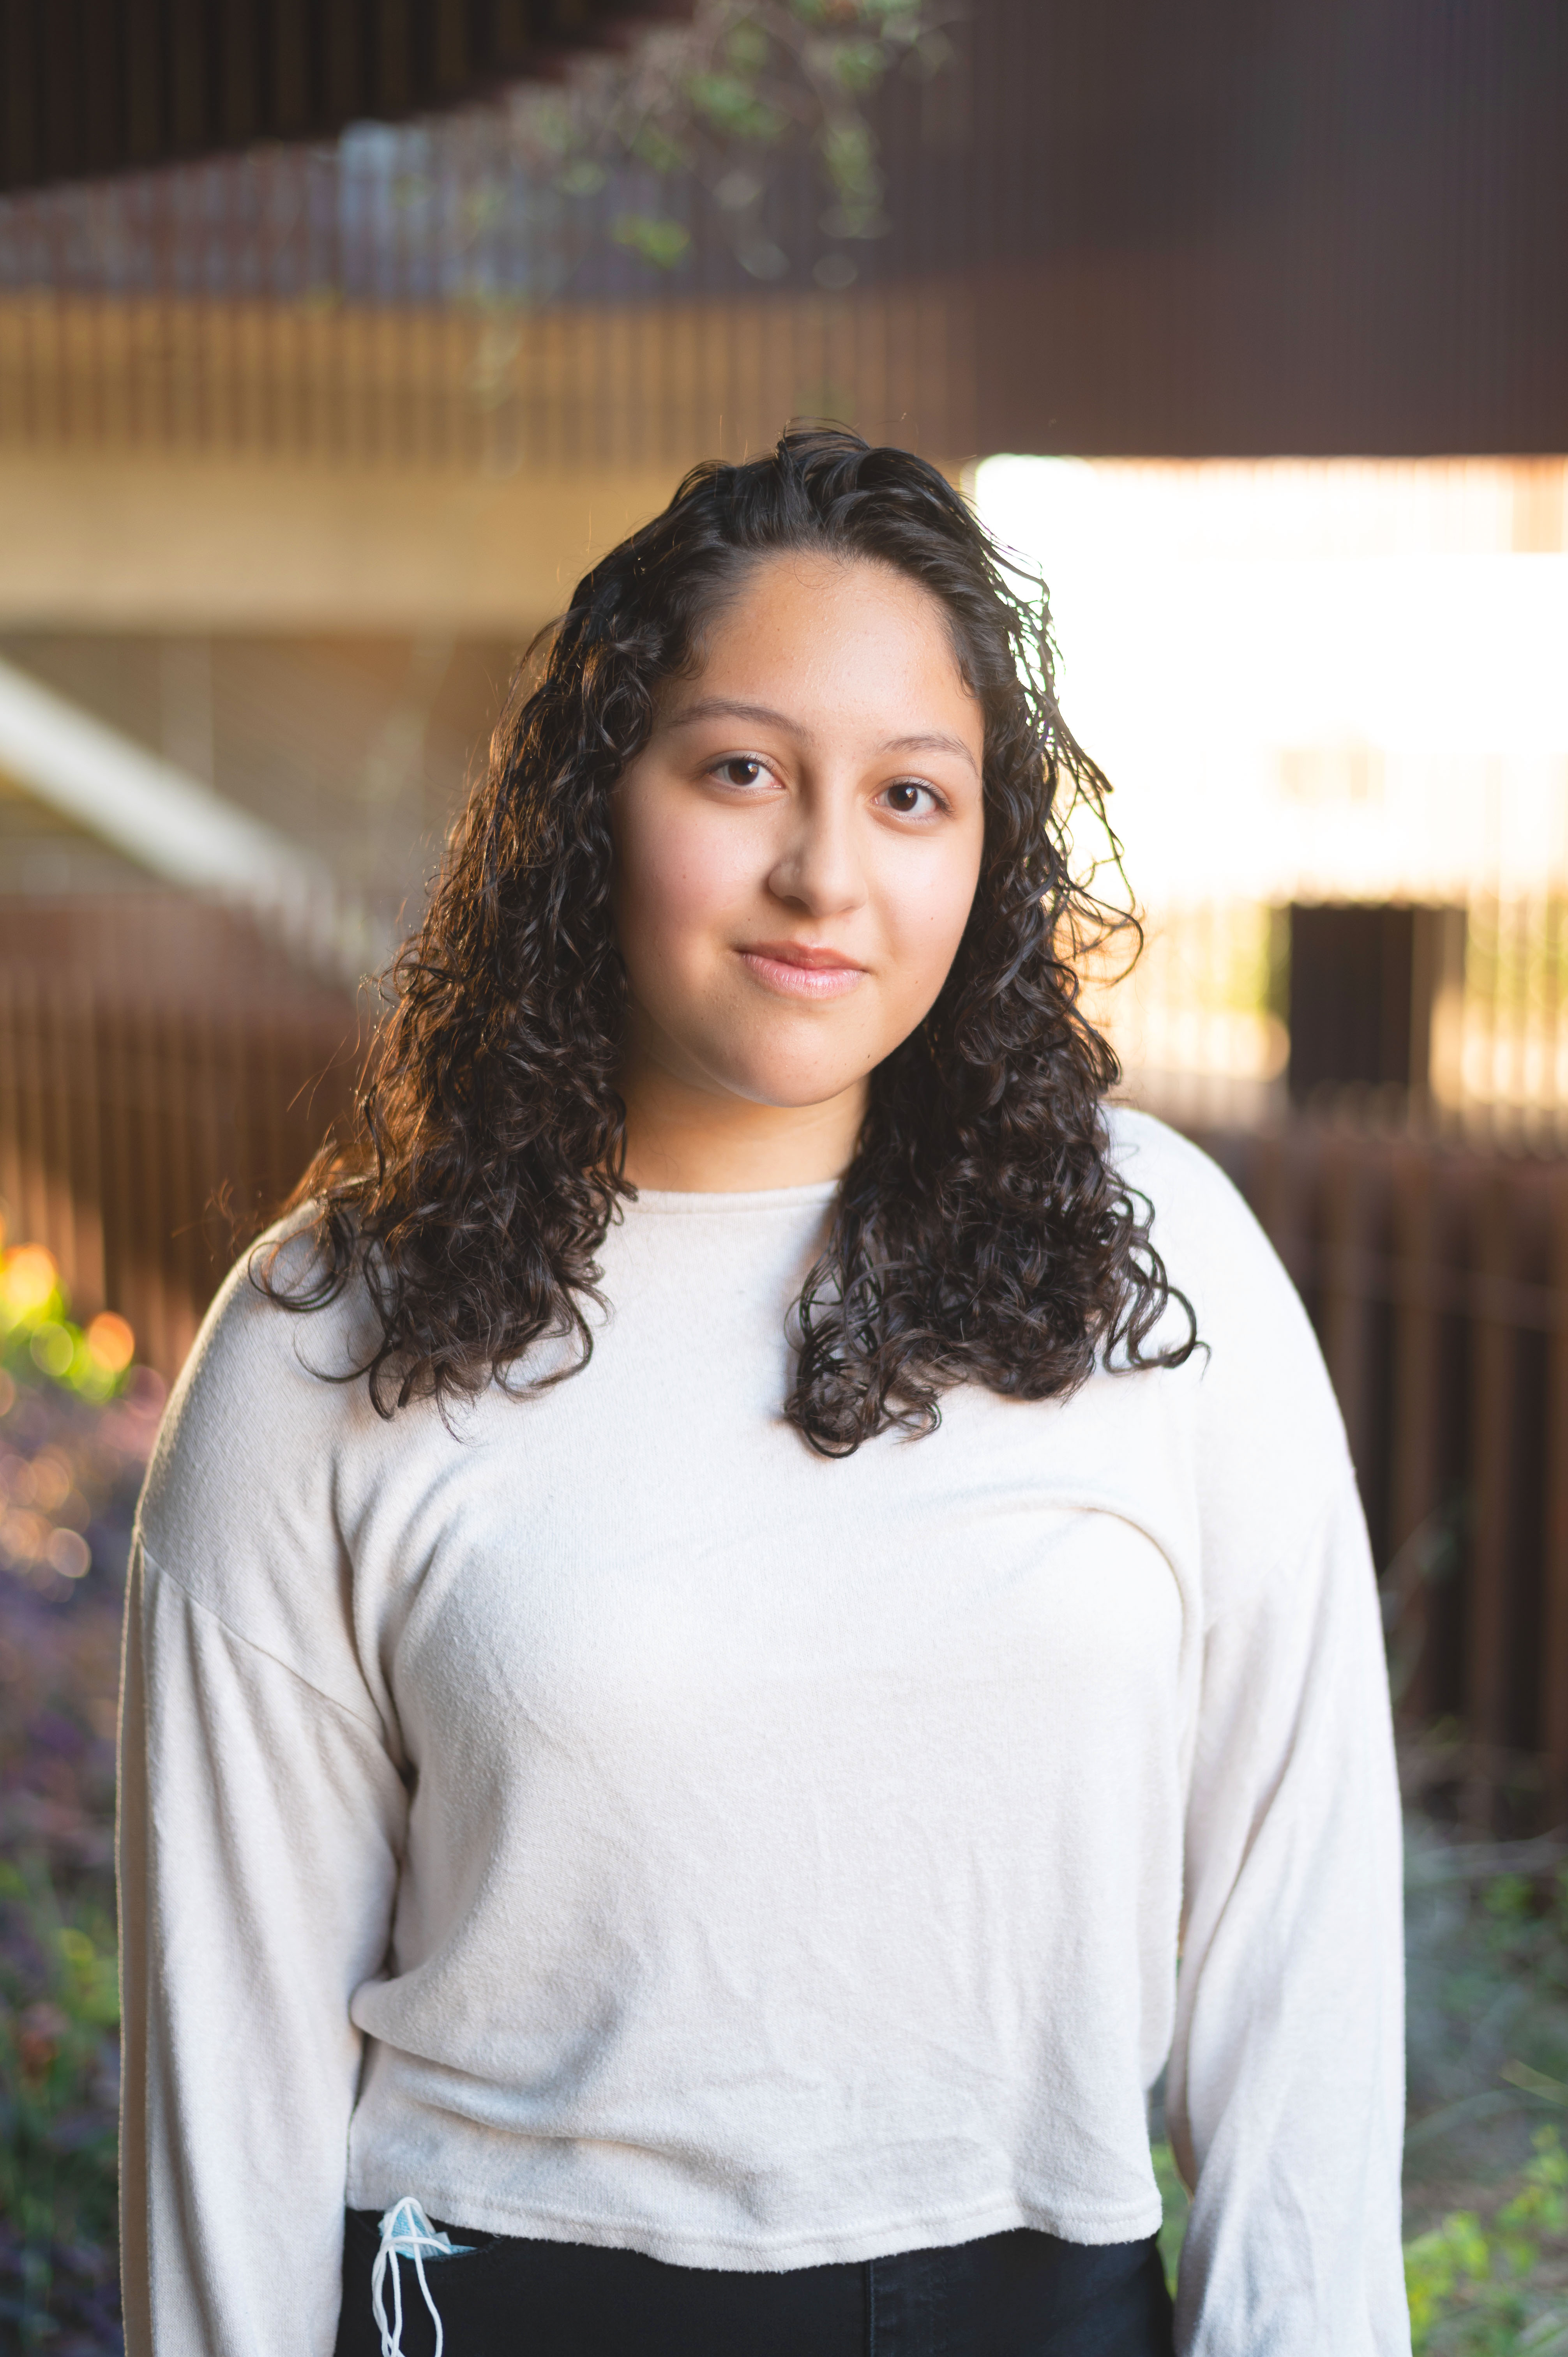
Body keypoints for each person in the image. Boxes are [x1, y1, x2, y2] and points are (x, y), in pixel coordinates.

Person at [117, 429, 1408, 2357]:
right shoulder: (329, 1335)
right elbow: (226, 2063)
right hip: (510, 2305)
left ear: (986, 849)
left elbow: (1294, 1949)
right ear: (594, 800)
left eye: (910, 793)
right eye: (741, 771)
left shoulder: (1164, 1265)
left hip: (1039, 2305)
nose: (823, 872)